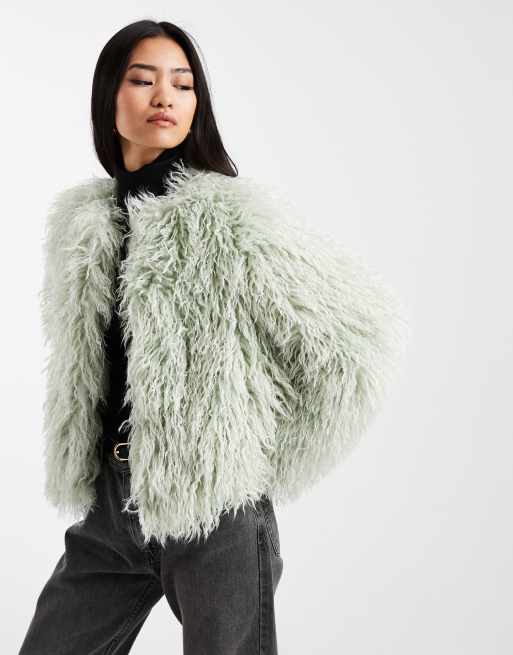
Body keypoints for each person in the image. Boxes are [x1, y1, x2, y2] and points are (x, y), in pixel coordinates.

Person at [18, 18, 410, 655]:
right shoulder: (81, 223)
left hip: (216, 514)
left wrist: (243, 463)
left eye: (183, 84)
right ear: (107, 97)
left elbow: (357, 343)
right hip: (110, 508)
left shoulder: (230, 218)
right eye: (142, 80)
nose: (164, 97)